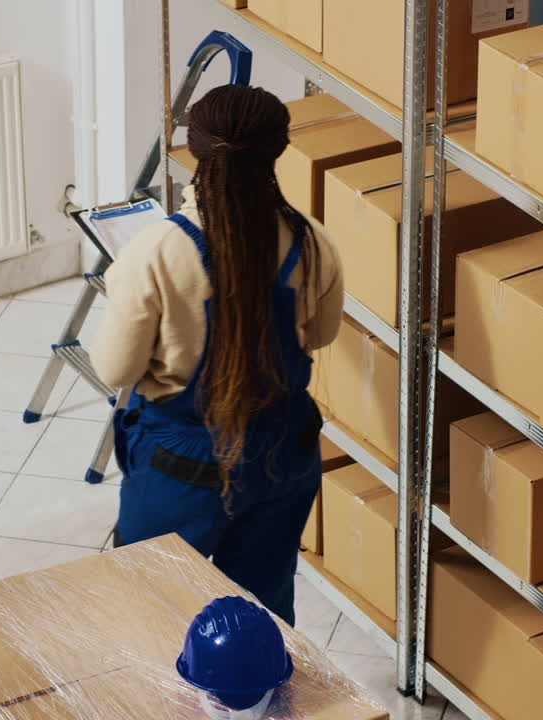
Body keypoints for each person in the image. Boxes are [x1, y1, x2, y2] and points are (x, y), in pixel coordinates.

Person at [91, 85, 344, 626]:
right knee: (262, 609)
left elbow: (115, 370)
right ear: (279, 150)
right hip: (282, 452)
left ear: (195, 150)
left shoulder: (156, 251)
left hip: (183, 464)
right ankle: (254, 704)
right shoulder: (312, 240)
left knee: (153, 606)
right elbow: (320, 337)